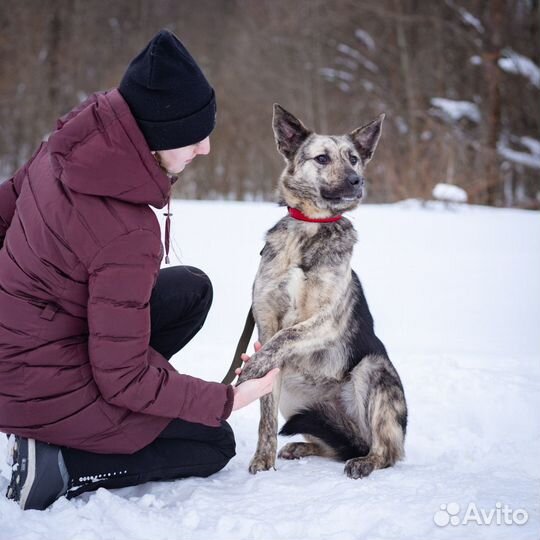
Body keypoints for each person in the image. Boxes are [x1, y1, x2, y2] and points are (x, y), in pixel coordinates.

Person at [0, 29, 279, 511]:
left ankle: (107, 412)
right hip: (34, 385)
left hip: (22, 345)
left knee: (192, 289)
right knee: (212, 441)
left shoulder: (65, 149)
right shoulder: (126, 232)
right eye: (194, 136)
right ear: (157, 132)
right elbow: (122, 377)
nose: (205, 149)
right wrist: (227, 399)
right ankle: (59, 464)